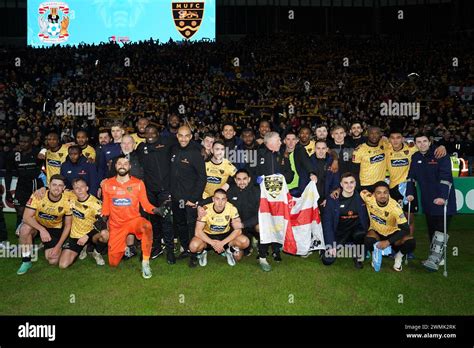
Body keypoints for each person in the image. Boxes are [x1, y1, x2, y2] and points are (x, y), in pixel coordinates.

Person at [101, 155, 163, 279]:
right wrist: (103, 219)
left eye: (125, 163)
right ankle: (124, 247)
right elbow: (106, 206)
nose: (122, 166)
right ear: (115, 166)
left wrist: (157, 210)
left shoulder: (138, 183)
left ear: (129, 166)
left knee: (146, 226)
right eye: (119, 163)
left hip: (133, 220)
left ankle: (145, 262)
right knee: (113, 263)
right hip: (116, 225)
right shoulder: (107, 184)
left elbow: (145, 205)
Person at [406, 134, 456, 272]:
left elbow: (446, 177)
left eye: (424, 141)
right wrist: (409, 193)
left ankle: (434, 259)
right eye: (419, 142)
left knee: (440, 230)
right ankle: (436, 257)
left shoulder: (440, 154)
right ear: (415, 143)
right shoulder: (415, 157)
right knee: (432, 230)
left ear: (429, 142)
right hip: (427, 201)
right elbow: (411, 177)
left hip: (443, 200)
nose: (422, 144)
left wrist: (442, 196)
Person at [16, 174, 72, 275]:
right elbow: (26, 217)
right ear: (49, 186)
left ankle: (48, 244)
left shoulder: (68, 200)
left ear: (64, 188)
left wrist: (58, 246)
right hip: (38, 225)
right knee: (24, 229)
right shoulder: (38, 195)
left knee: (53, 261)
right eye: (54, 185)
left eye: (60, 186)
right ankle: (26, 261)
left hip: (55, 228)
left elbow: (68, 225)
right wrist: (42, 230)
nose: (57, 188)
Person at [137, 124, 177, 264]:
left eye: (153, 133)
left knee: (166, 221)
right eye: (147, 133)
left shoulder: (167, 142)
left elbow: (184, 144)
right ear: (143, 134)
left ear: (158, 133)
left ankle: (170, 251)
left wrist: (201, 149)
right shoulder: (141, 148)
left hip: (165, 190)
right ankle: (157, 247)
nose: (150, 135)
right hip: (150, 192)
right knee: (153, 221)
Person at [170, 126, 207, 260]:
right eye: (181, 135)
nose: (183, 138)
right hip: (177, 197)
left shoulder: (195, 153)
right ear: (177, 136)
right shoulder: (174, 150)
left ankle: (195, 252)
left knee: (192, 225)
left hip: (190, 198)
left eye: (186, 136)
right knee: (180, 223)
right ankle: (186, 248)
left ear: (191, 137)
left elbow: (203, 177)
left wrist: (194, 198)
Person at [361, 181, 416, 272]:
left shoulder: (395, 207)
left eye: (385, 192)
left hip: (392, 233)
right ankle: (376, 252)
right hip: (376, 231)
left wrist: (388, 242)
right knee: (368, 239)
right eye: (379, 193)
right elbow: (358, 190)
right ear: (373, 194)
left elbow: (406, 229)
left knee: (410, 241)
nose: (382, 195)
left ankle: (398, 256)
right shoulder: (369, 198)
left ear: (388, 193)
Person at [189, 189, 249, 268]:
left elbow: (238, 230)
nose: (220, 202)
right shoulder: (205, 209)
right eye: (217, 199)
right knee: (193, 246)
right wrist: (213, 243)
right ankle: (202, 252)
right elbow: (198, 231)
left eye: (223, 199)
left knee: (245, 242)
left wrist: (222, 243)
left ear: (226, 200)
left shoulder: (231, 208)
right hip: (208, 236)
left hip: (225, 236)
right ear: (213, 199)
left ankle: (230, 250)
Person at [322, 172, 368, 268]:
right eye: (346, 183)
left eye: (352, 182)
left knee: (360, 233)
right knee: (327, 260)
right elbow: (327, 224)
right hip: (340, 233)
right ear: (341, 184)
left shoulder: (363, 198)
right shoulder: (332, 200)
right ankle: (329, 249)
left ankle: (357, 256)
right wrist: (330, 244)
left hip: (356, 231)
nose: (349, 185)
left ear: (355, 183)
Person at [59, 178, 108, 268]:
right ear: (73, 190)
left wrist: (87, 235)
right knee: (63, 265)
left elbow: (102, 223)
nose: (79, 190)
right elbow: (56, 190)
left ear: (87, 188)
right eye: (76, 188)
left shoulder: (95, 203)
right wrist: (42, 189)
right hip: (75, 235)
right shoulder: (71, 196)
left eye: (82, 187)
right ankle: (82, 248)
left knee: (105, 234)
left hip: (91, 235)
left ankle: (96, 253)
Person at [5, 133, 43, 229]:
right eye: (21, 141)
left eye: (25, 142)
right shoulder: (15, 154)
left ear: (31, 142)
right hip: (21, 184)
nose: (23, 144)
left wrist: (44, 151)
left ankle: (35, 229)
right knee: (20, 209)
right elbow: (8, 172)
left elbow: (47, 150)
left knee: (37, 210)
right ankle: (22, 227)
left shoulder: (37, 152)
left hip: (35, 184)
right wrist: (8, 190)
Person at [226, 169, 260, 256]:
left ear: (249, 179)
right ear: (235, 180)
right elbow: (216, 197)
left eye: (244, 179)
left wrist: (243, 224)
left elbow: (260, 214)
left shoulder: (257, 191)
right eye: (239, 179)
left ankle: (262, 247)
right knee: (238, 257)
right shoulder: (230, 191)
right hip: (237, 227)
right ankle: (236, 245)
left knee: (260, 227)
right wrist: (199, 204)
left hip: (251, 225)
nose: (242, 182)